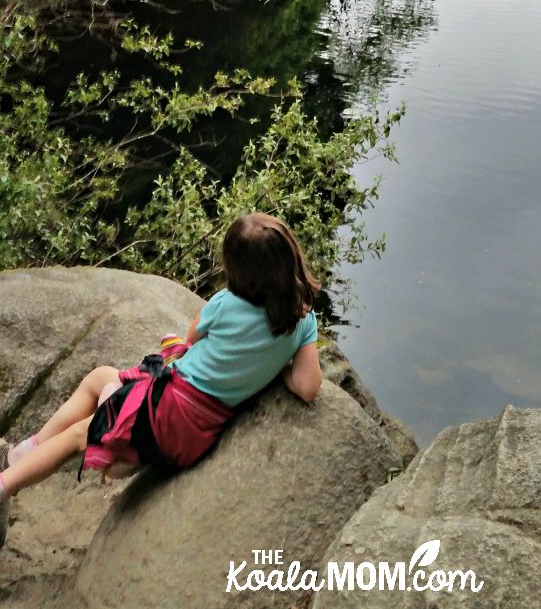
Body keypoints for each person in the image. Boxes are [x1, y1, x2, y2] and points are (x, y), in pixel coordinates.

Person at [0, 212, 323, 506]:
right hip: (194, 435)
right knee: (102, 377)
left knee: (78, 435)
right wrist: (280, 365)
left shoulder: (225, 303)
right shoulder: (303, 322)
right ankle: (36, 451)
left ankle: (8, 481)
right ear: (291, 256)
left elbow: (192, 335)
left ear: (237, 270)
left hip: (165, 409)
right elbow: (307, 387)